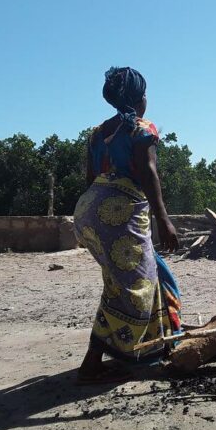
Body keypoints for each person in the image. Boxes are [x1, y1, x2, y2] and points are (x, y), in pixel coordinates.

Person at [73, 66, 181, 385]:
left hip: (90, 210)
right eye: (145, 94)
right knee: (132, 290)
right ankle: (92, 363)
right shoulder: (141, 130)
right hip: (118, 214)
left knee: (154, 274)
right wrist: (163, 219)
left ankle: (159, 344)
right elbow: (148, 173)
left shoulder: (97, 132)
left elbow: (90, 178)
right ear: (139, 98)